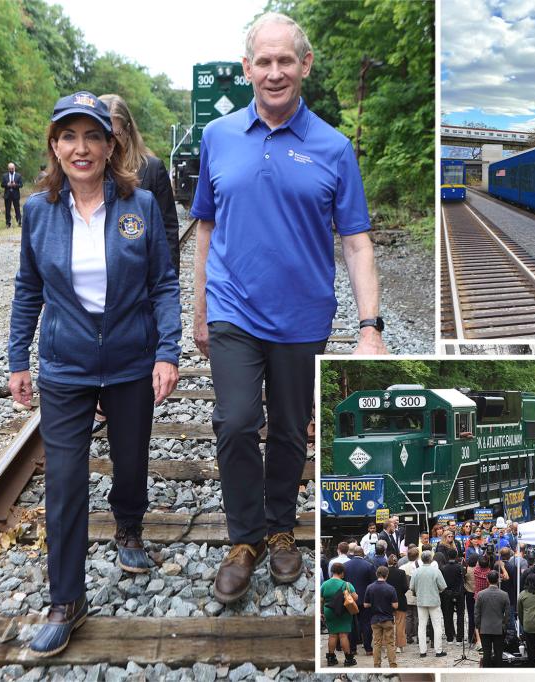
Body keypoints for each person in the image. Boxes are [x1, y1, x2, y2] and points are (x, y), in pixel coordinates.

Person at [195, 14, 388, 604]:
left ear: (304, 66)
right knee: (232, 422)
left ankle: (281, 528)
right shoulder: (218, 136)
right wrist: (199, 307)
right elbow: (206, 225)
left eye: (286, 61)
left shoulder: (333, 147)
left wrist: (370, 328)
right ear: (248, 67)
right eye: (263, 61)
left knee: (286, 431)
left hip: (302, 318)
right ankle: (244, 538)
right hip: (233, 306)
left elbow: (355, 241)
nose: (274, 72)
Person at [9, 91, 181, 656]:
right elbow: (28, 289)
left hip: (131, 358)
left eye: (93, 136)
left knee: (130, 460)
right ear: (54, 146)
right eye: (69, 137)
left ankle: (128, 528)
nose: (81, 148)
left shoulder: (140, 206)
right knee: (63, 480)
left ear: (111, 146)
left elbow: (162, 284)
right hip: (66, 365)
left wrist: (167, 350)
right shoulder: (38, 210)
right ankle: (66, 598)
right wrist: (18, 359)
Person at [100, 94, 181, 275]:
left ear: (128, 131)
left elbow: (168, 233)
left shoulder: (152, 169)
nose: (108, 142)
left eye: (115, 134)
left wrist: (169, 283)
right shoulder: (86, 173)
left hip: (141, 281)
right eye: (99, 134)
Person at [410, 550, 447, 657]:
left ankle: (422, 651)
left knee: (421, 626)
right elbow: (443, 586)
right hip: (434, 600)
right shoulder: (436, 571)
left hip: (421, 600)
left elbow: (412, 587)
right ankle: (438, 650)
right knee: (437, 625)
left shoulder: (416, 571)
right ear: (431, 559)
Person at [321, 562, 358, 667]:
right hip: (343, 611)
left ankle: (331, 658)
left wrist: (321, 612)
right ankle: (348, 659)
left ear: (332, 572)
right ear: (342, 572)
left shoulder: (325, 584)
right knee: (343, 635)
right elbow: (355, 598)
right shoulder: (346, 584)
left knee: (332, 634)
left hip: (329, 610)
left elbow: (321, 600)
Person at [343, 546, 377, 656]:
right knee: (366, 624)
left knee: (351, 624)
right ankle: (368, 648)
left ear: (353, 554)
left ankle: (353, 649)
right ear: (362, 554)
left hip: (350, 599)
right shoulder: (369, 566)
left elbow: (343, 583)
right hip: (365, 600)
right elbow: (373, 584)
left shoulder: (346, 566)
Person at [363, 565, 399, 668]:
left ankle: (377, 664)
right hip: (387, 618)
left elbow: (365, 604)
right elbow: (395, 605)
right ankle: (392, 664)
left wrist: (373, 604)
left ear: (376, 574)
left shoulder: (370, 587)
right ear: (387, 575)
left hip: (375, 619)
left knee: (377, 643)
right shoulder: (390, 588)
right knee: (390, 643)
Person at [475, 569, 510, 667]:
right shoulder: (504, 594)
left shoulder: (481, 594)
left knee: (486, 653)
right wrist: (504, 624)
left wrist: (478, 626)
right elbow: (507, 613)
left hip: (485, 627)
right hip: (499, 628)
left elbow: (477, 612)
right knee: (499, 653)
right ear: (498, 579)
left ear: (487, 580)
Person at [440, 548, 465, 643]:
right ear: (456, 556)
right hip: (458, 593)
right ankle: (459, 638)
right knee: (460, 615)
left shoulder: (443, 568)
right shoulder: (460, 567)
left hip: (447, 593)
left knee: (447, 616)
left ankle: (449, 637)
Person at [385, 553, 409, 653]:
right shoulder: (401, 572)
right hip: (400, 600)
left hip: (387, 602)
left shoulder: (384, 572)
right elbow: (405, 587)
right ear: (396, 563)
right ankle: (399, 646)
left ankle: (388, 645)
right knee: (400, 625)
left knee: (387, 625)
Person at [402, 547, 421, 645]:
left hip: (407, 594)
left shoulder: (403, 568)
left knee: (408, 616)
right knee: (417, 616)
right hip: (417, 594)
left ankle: (409, 637)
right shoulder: (420, 567)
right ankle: (419, 637)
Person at [1, 162, 23, 228]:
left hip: (15, 194)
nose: (11, 170)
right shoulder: (4, 175)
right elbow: (2, 185)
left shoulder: (18, 175)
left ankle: (19, 222)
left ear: (14, 168)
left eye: (12, 168)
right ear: (8, 169)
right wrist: (7, 185)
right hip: (7, 195)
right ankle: (8, 223)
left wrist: (15, 185)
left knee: (17, 209)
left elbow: (21, 185)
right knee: (7, 209)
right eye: (10, 169)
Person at [463, 553, 478, 645]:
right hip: (477, 593)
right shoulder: (478, 570)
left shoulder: (466, 570)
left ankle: (470, 637)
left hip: (469, 593)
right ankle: (478, 636)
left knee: (471, 615)